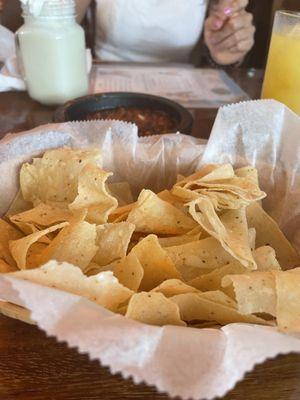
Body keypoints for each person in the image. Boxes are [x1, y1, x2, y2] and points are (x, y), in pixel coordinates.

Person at [77, 0, 255, 66]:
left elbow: (225, 23)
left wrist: (228, 42)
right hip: (104, 80)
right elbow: (59, 24)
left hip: (183, 94)